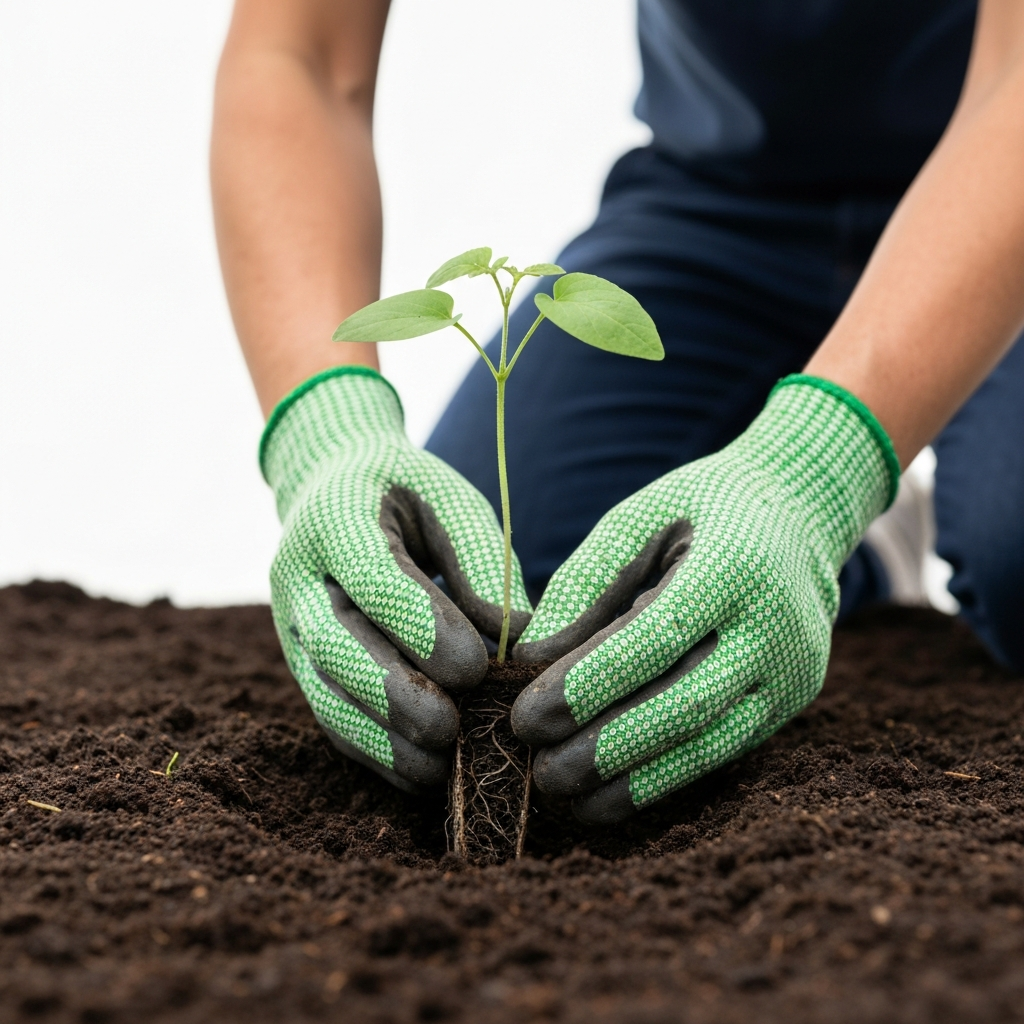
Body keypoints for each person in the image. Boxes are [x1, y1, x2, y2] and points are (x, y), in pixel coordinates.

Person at [211, 0, 1024, 823]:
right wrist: (330, 433)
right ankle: (877, 554)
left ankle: (851, 509)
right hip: (726, 200)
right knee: (496, 584)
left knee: (1018, 551)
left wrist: (816, 474)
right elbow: (299, 53)